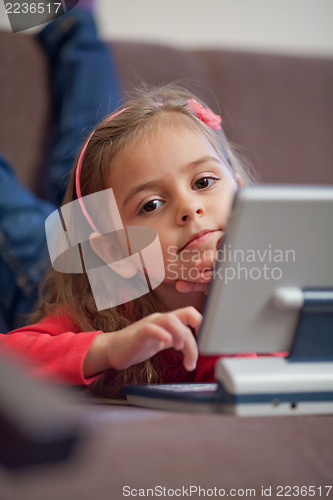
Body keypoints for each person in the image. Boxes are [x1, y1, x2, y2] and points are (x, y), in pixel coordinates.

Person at [1, 84, 259, 398]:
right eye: (151, 204)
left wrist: (227, 304)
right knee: (18, 219)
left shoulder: (275, 287)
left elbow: (249, 386)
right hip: (43, 266)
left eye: (203, 182)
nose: (190, 208)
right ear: (116, 251)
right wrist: (107, 348)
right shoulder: (100, 315)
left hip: (77, 240)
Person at [0, 5, 122, 332]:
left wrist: (105, 350)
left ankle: (73, 22)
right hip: (101, 256)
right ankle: (72, 21)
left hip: (56, 288)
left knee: (21, 219)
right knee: (100, 152)